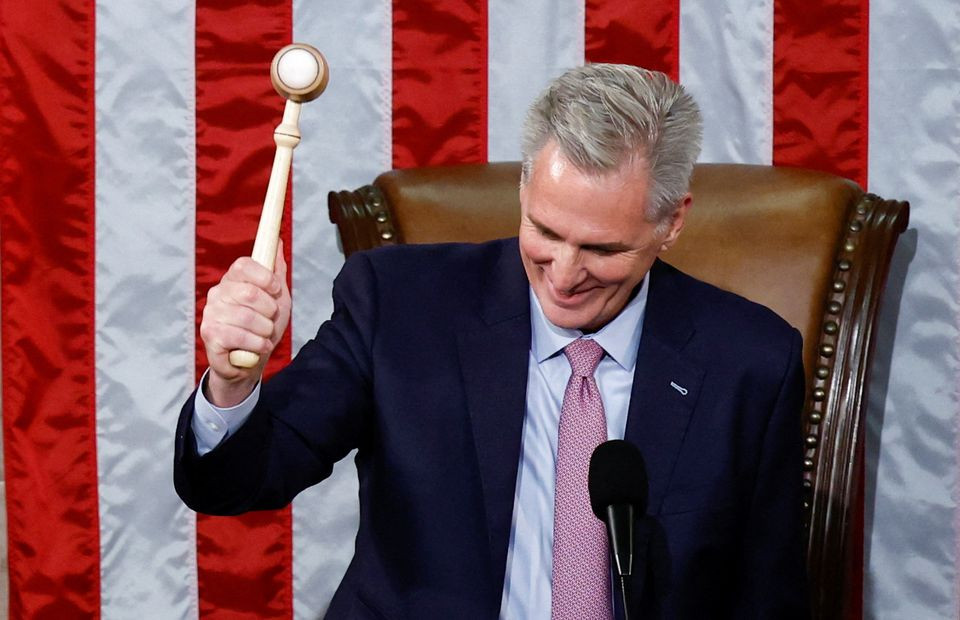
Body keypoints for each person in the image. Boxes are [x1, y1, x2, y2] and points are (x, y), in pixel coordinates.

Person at [175, 64, 808, 618]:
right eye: (546, 231)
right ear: (524, 189)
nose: (564, 275)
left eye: (602, 248)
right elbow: (237, 482)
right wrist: (232, 383)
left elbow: (765, 598)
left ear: (672, 222)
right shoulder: (401, 304)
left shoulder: (750, 362)